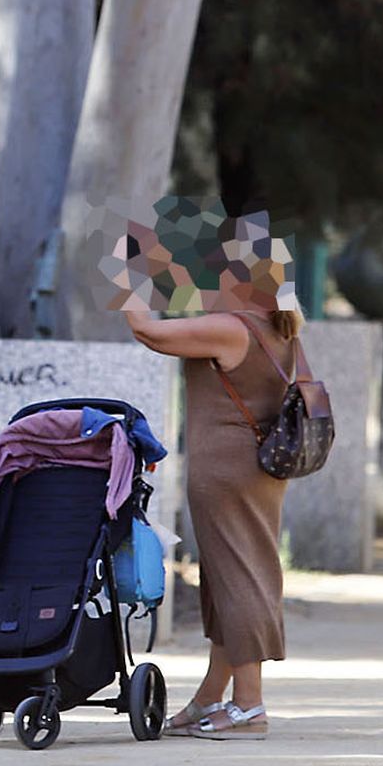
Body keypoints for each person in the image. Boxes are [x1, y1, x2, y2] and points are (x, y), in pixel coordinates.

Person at [121, 254, 301, 740]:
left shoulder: (232, 326)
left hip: (228, 470)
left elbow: (149, 333)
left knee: (239, 578)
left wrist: (126, 278)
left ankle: (248, 706)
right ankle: (210, 696)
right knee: (230, 577)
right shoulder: (279, 325)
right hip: (257, 469)